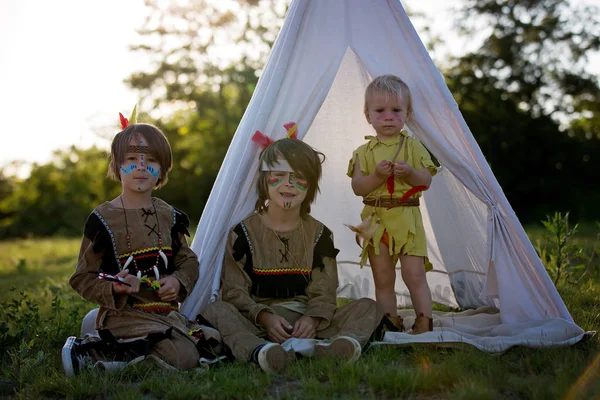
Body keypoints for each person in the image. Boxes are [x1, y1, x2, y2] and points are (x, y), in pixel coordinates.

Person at [202, 131, 383, 373]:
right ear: (265, 181)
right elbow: (235, 291)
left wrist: (312, 318)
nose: (288, 184)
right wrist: (265, 317)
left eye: (298, 177)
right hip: (258, 323)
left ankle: (339, 346)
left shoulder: (320, 234)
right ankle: (261, 351)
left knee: (369, 306)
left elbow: (325, 290)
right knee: (216, 309)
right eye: (279, 176)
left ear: (310, 185)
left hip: (308, 323)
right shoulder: (242, 232)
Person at [62, 113, 211, 376]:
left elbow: (187, 261)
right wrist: (115, 287)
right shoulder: (103, 220)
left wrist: (177, 281)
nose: (141, 167)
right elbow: (82, 278)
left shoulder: (169, 215)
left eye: (151, 161)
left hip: (164, 315)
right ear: (117, 166)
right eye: (131, 160)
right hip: (125, 316)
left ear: (162, 170)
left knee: (211, 340)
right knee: (186, 357)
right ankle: (89, 352)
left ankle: (110, 361)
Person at [347, 75, 436, 334]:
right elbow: (357, 187)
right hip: (376, 222)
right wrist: (376, 176)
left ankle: (424, 321)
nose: (388, 117)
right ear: (368, 115)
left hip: (406, 219)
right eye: (380, 111)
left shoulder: (414, 147)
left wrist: (409, 173)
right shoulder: (363, 152)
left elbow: (426, 180)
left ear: (407, 114)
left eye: (396, 110)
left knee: (414, 274)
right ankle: (389, 321)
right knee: (383, 276)